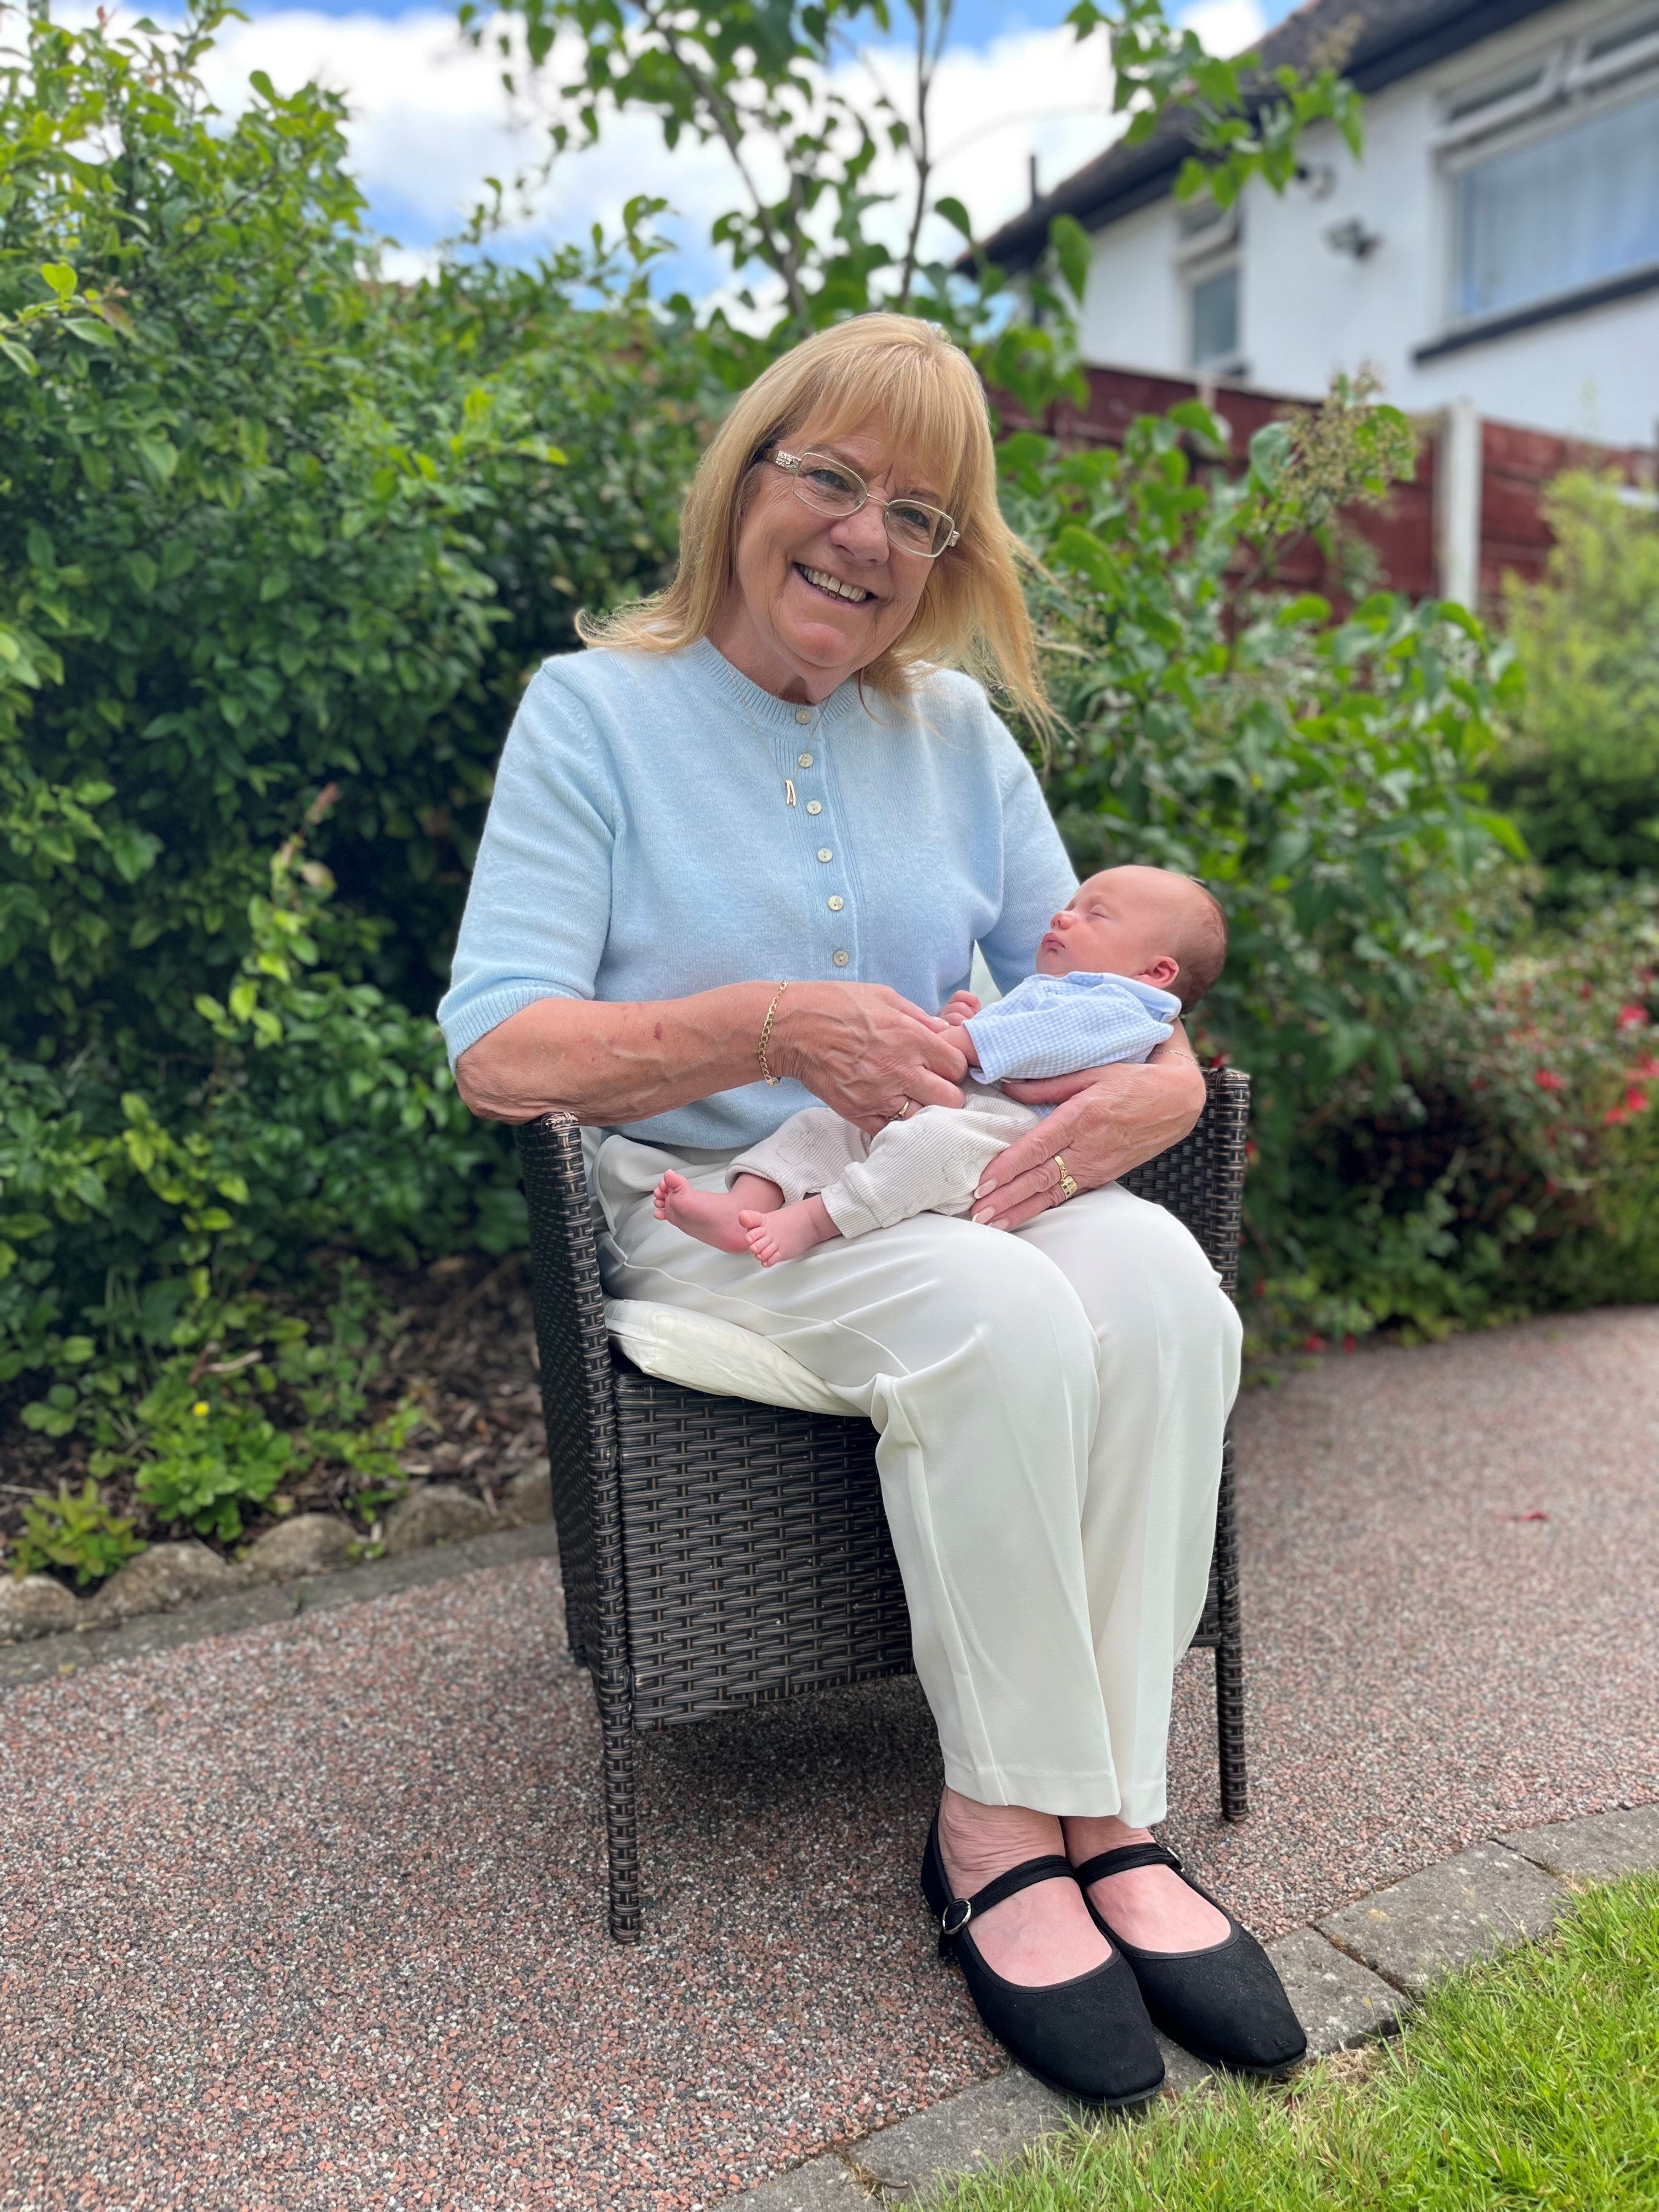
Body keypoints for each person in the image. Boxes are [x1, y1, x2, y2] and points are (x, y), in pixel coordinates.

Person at [438, 313, 1305, 2104]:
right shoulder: (588, 713)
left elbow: (1097, 1005)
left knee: (1157, 1284)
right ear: (741, 482)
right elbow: (498, 1052)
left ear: (944, 562)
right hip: (708, 1210)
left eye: (916, 515)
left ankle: (1108, 1815)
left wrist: (1151, 1089)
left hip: (944, 1170)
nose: (862, 536)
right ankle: (993, 1834)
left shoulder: (962, 730)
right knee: (997, 1316)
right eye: (827, 478)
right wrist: (769, 1025)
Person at [652, 864, 1220, 1266]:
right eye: (1069, 906)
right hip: (955, 1112)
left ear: (1158, 973)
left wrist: (962, 1039)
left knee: (927, 1146)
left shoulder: (1125, 1008)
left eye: (1094, 915)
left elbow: (1041, 1041)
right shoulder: (1066, 988)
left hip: (1003, 1140)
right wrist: (954, 1023)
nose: (1063, 916)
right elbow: (1005, 1036)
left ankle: (813, 1221)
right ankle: (744, 1206)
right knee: (815, 1126)